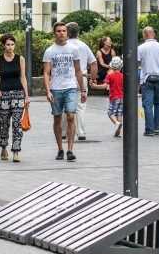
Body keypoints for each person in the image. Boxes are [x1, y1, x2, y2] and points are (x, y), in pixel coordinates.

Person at [43, 22, 86, 161]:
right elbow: (46, 72)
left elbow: (78, 70)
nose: (62, 33)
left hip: (70, 88)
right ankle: (60, 149)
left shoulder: (74, 49)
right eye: (59, 31)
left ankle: (70, 150)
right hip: (56, 88)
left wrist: (83, 89)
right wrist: (48, 90)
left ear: (67, 33)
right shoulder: (50, 51)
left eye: (63, 31)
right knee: (57, 117)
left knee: (71, 116)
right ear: (54, 33)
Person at [0, 35, 30, 161]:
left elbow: (23, 78)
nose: (10, 47)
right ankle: (3, 147)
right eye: (8, 44)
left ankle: (16, 152)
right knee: (3, 123)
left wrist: (26, 96)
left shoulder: (20, 59)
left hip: (18, 93)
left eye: (12, 44)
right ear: (3, 45)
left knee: (17, 124)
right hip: (3, 94)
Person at [137, 27, 159, 137]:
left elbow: (137, 64)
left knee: (147, 105)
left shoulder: (141, 48)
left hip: (147, 79)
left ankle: (149, 129)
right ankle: (157, 127)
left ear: (144, 35)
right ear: (154, 34)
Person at [67, 22, 97, 140]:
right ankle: (81, 132)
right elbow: (94, 63)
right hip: (82, 76)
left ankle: (64, 132)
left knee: (66, 105)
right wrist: (93, 78)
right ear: (78, 32)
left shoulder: (64, 46)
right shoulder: (83, 45)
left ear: (67, 32)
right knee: (81, 106)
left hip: (67, 77)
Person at [89, 56, 124, 137]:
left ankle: (117, 123)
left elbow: (104, 86)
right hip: (122, 97)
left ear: (111, 66)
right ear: (121, 66)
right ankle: (118, 129)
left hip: (114, 97)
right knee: (119, 113)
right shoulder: (123, 76)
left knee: (110, 113)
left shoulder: (110, 76)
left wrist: (95, 86)